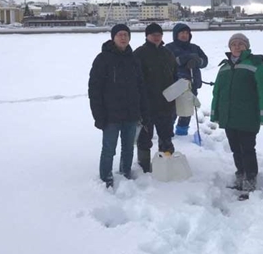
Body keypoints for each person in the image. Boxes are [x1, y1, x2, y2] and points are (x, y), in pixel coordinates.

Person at [88, 24, 149, 188]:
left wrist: (143, 112)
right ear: (113, 38)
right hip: (110, 116)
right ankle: (105, 177)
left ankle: (125, 172)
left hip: (131, 114)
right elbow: (94, 90)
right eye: (120, 35)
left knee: (128, 148)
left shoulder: (134, 59)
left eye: (126, 35)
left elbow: (141, 87)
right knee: (109, 149)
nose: (123, 38)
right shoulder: (102, 59)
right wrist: (98, 116)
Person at [210, 33, 263, 192]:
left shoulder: (256, 65)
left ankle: (250, 179)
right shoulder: (224, 67)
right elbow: (217, 92)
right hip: (229, 116)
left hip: (247, 116)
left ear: (247, 46)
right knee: (235, 149)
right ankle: (240, 176)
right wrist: (215, 113)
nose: (237, 47)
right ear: (230, 47)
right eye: (234, 44)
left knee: (247, 149)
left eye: (240, 44)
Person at [133, 23, 178, 171]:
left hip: (166, 104)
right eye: (153, 35)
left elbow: (175, 75)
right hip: (146, 104)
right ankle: (144, 166)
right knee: (145, 138)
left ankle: (166, 163)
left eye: (159, 34)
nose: (157, 37)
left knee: (166, 136)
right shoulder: (139, 54)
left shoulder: (168, 53)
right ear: (147, 36)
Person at [165, 23, 208, 136]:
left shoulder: (195, 48)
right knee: (172, 111)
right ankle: (167, 132)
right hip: (175, 85)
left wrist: (197, 61)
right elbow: (167, 63)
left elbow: (205, 61)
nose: (184, 35)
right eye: (182, 33)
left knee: (187, 110)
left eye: (186, 33)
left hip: (192, 83)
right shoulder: (169, 48)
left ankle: (182, 131)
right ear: (176, 35)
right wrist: (183, 59)